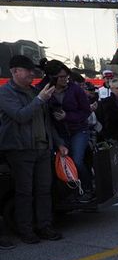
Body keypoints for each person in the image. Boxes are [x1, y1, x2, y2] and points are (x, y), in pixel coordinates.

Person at [0, 55, 66, 243]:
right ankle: (26, 230)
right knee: (24, 192)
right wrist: (39, 99)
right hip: (21, 150)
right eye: (28, 70)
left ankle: (44, 226)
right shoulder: (5, 93)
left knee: (44, 190)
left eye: (33, 70)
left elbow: (46, 122)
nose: (32, 73)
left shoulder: (35, 90)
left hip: (43, 149)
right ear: (15, 72)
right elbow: (20, 116)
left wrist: (59, 142)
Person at [39, 59, 94, 201]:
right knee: (61, 162)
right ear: (52, 78)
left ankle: (88, 188)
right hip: (58, 133)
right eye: (61, 77)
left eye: (66, 76)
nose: (65, 79)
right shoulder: (44, 90)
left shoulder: (75, 89)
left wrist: (67, 116)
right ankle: (69, 192)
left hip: (78, 130)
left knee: (77, 161)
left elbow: (86, 111)